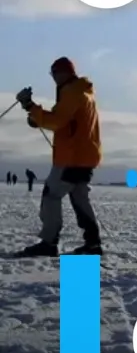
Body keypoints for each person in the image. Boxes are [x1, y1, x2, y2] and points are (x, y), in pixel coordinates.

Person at [12, 58, 103, 257]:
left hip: (71, 157)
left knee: (51, 195)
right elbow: (65, 121)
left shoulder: (71, 92)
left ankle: (49, 242)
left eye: (54, 73)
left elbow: (57, 121)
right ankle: (93, 243)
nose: (53, 78)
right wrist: (38, 117)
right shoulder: (84, 92)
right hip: (85, 157)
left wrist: (30, 106)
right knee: (80, 199)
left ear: (63, 73)